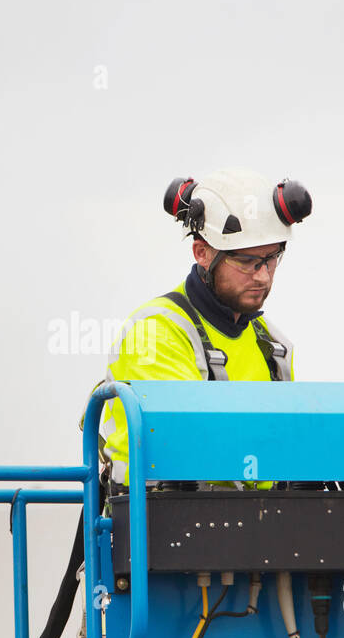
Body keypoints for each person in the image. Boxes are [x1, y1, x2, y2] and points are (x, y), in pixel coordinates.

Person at [98, 168, 313, 488]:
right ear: (202, 252)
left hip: (256, 524)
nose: (263, 277)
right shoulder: (155, 332)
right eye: (247, 261)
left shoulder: (273, 344)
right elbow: (184, 443)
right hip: (157, 522)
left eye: (271, 258)